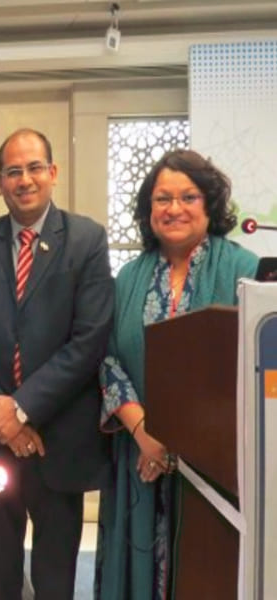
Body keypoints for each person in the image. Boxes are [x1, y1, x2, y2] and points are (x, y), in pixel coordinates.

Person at [0, 128, 114, 599]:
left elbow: (89, 340)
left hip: (58, 439)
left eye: (34, 167)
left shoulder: (86, 240)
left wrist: (21, 409)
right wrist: (3, 418)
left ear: (53, 172)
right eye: (13, 171)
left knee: (55, 581)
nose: (25, 179)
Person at [94, 149, 258, 600]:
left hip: (218, 466)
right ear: (149, 210)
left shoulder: (245, 271)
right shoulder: (129, 278)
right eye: (162, 198)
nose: (174, 208)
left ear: (210, 203)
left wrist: (181, 442)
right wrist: (146, 434)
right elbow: (108, 360)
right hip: (139, 456)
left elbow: (249, 365)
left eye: (188, 197)